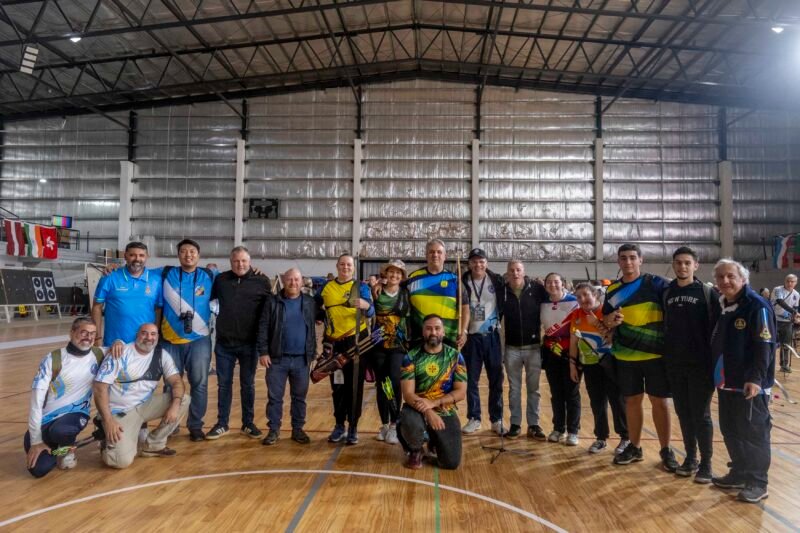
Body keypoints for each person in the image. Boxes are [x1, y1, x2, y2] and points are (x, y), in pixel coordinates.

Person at [603, 244, 678, 472]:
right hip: (625, 354)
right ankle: (634, 447)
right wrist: (610, 321)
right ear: (618, 261)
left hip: (655, 354)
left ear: (640, 260)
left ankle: (666, 449)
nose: (628, 262)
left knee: (660, 402)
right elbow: (606, 319)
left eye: (632, 258)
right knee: (632, 401)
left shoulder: (657, 284)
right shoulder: (612, 290)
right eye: (623, 258)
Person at [711, 259, 776, 503]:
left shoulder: (756, 306)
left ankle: (758, 483)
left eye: (730, 276)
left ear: (743, 279)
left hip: (750, 385)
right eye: (720, 277)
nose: (725, 281)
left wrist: (756, 378)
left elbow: (764, 346)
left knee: (754, 434)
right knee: (730, 429)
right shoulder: (722, 305)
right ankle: (739, 472)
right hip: (726, 382)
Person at [93, 323, 190, 469]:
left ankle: (153, 445)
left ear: (157, 337)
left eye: (153, 334)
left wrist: (175, 405)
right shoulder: (120, 353)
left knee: (183, 399)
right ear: (137, 334)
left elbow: (177, 381)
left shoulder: (162, 355)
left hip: (144, 406)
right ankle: (105, 439)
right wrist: (108, 421)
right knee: (120, 462)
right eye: (144, 333)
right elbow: (100, 388)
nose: (148, 338)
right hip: (119, 412)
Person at [662, 247, 720, 483]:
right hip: (676, 365)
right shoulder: (667, 293)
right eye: (678, 263)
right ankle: (691, 458)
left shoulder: (707, 293)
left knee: (701, 415)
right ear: (673, 265)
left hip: (701, 366)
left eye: (687, 263)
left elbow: (717, 330)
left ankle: (706, 463)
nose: (682, 267)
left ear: (696, 265)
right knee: (683, 413)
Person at [24, 318, 107, 477]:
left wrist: (117, 341)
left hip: (76, 414)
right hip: (47, 419)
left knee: (62, 431)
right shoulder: (53, 359)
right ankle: (60, 448)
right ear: (71, 333)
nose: (88, 337)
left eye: (92, 334)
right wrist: (35, 441)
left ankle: (66, 451)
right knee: (38, 469)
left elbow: (126, 349)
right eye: (83, 332)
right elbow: (36, 404)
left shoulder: (99, 354)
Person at [206, 246, 272, 440]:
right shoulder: (221, 280)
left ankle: (248, 423)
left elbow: (269, 312)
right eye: (236, 261)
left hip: (250, 345)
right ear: (230, 262)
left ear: (250, 262)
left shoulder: (262, 281)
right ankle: (222, 423)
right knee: (224, 385)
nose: (240, 264)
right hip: (224, 344)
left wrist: (265, 346)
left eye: (244, 261)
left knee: (248, 385)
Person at [159, 239, 216, 442]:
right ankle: (170, 423)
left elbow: (235, 277)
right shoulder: (165, 273)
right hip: (170, 341)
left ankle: (195, 425)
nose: (188, 255)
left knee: (199, 384)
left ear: (198, 256)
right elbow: (138, 271)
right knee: (169, 385)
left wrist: (256, 272)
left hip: (199, 340)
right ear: (178, 255)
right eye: (183, 251)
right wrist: (113, 268)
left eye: (192, 251)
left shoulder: (209, 276)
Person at [315, 254, 374, 445]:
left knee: (355, 386)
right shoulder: (326, 286)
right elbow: (314, 304)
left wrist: (366, 305)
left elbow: (372, 311)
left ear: (353, 268)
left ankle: (353, 427)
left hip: (356, 342)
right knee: (337, 386)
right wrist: (318, 315)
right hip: (334, 343)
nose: (345, 267)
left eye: (349, 265)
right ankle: (339, 424)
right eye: (342, 264)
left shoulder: (361, 287)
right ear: (337, 266)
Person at [397, 314, 467, 470]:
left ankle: (434, 441)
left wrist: (435, 403)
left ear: (443, 332)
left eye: (437, 328)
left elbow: (461, 392)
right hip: (417, 408)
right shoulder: (410, 357)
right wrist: (428, 410)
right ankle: (415, 449)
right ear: (423, 332)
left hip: (444, 409)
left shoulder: (455, 356)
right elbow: (408, 394)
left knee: (451, 463)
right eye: (429, 329)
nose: (433, 332)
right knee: (408, 419)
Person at [258, 268, 317, 446]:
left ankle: (297, 429)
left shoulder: (309, 302)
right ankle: (274, 430)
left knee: (299, 398)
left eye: (297, 279)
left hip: (302, 360)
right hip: (277, 359)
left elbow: (320, 319)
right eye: (290, 279)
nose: (293, 283)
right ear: (283, 280)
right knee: (275, 398)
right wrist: (263, 351)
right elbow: (263, 327)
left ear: (302, 281)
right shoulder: (272, 302)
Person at [569, 283, 629, 455]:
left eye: (586, 295)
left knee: (617, 401)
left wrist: (596, 323)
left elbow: (610, 339)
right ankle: (601, 438)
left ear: (595, 295)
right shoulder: (576, 315)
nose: (582, 299)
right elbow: (574, 342)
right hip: (590, 365)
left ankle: (625, 437)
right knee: (597, 402)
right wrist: (572, 365)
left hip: (610, 363)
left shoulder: (607, 312)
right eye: (578, 297)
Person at [460, 248, 506, 435]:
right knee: (471, 380)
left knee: (496, 379)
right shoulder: (462, 281)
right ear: (469, 264)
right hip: (471, 338)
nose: (478, 264)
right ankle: (474, 417)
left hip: (492, 336)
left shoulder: (497, 280)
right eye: (474, 261)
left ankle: (496, 419)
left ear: (486, 263)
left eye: (481, 261)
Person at [501, 259, 547, 440]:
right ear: (507, 272)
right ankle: (515, 423)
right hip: (511, 348)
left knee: (534, 389)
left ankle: (534, 424)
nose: (515, 273)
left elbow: (554, 299)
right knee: (514, 389)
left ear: (523, 271)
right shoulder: (502, 291)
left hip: (534, 348)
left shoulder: (537, 289)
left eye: (518, 270)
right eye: (511, 270)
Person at [91, 241, 162, 346]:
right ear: (125, 256)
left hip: (145, 343)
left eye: (141, 255)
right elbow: (97, 307)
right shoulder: (110, 277)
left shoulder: (156, 279)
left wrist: (156, 335)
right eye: (132, 255)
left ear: (147, 256)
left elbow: (158, 309)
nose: (137, 259)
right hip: (114, 343)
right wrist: (97, 337)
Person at [370, 259, 409, 445]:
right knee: (382, 384)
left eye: (398, 273)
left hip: (398, 346)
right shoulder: (375, 293)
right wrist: (376, 284)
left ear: (402, 277)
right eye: (391, 272)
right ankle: (384, 424)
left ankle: (395, 424)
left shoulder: (405, 294)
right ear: (385, 274)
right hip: (378, 345)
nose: (394, 276)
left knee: (394, 382)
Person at [405, 239, 469, 350]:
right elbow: (394, 289)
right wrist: (380, 284)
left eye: (439, 252)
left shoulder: (455, 280)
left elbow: (465, 308)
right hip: (420, 339)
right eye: (431, 252)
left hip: (448, 339)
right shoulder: (413, 278)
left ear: (445, 256)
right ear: (426, 255)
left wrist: (464, 331)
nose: (435, 255)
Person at [540, 272, 580, 445]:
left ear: (563, 283)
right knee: (556, 393)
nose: (552, 285)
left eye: (556, 282)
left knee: (571, 393)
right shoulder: (543, 302)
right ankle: (558, 428)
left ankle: (573, 431)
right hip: (551, 352)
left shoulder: (574, 302)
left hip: (571, 352)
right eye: (549, 282)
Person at [770, 273, 799, 373]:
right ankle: (768, 363)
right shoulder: (778, 289)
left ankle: (784, 365)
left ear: (796, 282)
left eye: (792, 281)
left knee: (786, 344)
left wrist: (794, 317)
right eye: (788, 281)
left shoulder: (796, 295)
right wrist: (794, 312)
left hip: (787, 322)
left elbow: (795, 308)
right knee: (770, 343)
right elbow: (780, 301)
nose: (790, 283)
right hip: (774, 320)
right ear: (785, 281)